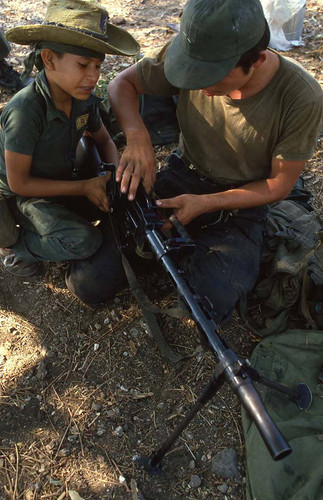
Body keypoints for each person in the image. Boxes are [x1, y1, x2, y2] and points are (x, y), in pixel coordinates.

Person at [90, 0, 321, 324]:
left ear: (255, 60)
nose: (197, 84)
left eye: (212, 76)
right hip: (186, 174)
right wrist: (137, 136)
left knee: (204, 306)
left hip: (242, 202)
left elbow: (278, 185)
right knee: (90, 283)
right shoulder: (195, 52)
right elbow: (121, 84)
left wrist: (205, 204)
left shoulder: (301, 97)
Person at [0, 0, 139, 278]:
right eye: (83, 64)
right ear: (49, 59)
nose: (93, 76)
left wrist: (111, 181)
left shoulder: (82, 100)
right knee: (85, 241)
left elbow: (105, 141)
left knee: (114, 206)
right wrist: (85, 187)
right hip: (17, 197)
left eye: (98, 66)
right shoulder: (25, 112)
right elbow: (19, 183)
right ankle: (18, 250)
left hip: (58, 179)